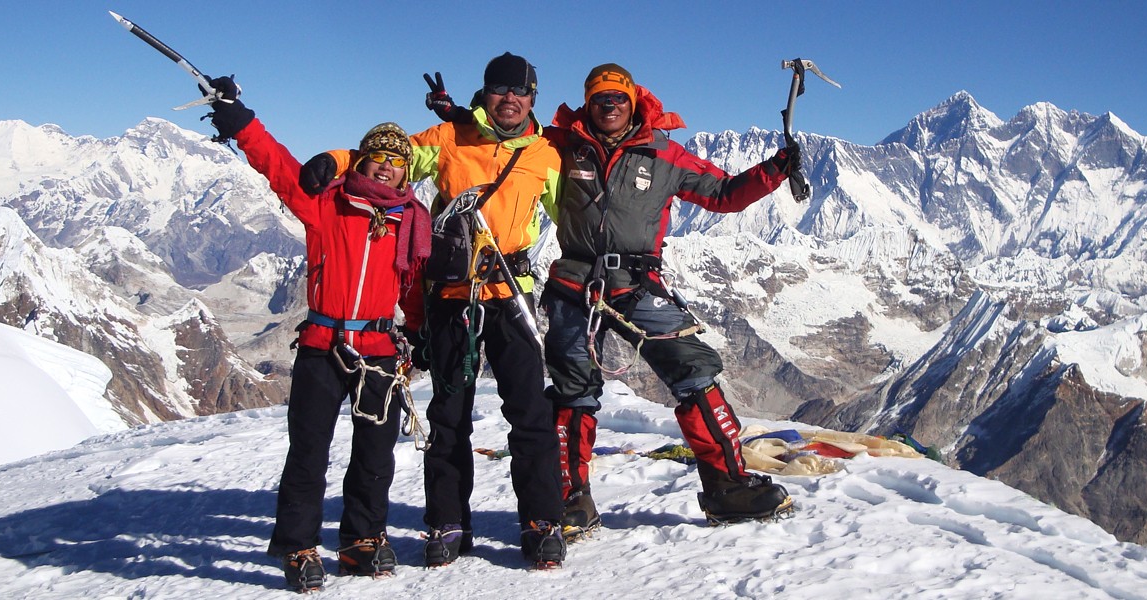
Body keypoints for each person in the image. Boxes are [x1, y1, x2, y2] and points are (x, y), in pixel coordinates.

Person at [431, 63, 804, 538]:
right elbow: (510, 133)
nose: (608, 106)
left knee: (693, 368)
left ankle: (728, 486)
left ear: (633, 102)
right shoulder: (561, 143)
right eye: (599, 99)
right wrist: (466, 115)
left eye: (617, 98)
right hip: (573, 284)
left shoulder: (664, 154)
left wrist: (774, 170)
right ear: (588, 103)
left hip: (637, 283)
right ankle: (568, 500)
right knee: (571, 390)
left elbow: (724, 194)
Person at [302, 52, 566, 569]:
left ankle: (542, 522)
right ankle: (447, 523)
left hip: (512, 293)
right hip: (449, 294)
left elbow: (573, 215)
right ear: (485, 92)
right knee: (448, 417)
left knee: (530, 413)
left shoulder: (546, 153)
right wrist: (335, 160)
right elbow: (387, 158)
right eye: (499, 89)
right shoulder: (448, 138)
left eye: (520, 91)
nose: (509, 99)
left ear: (533, 97)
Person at [204, 76, 431, 592]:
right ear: (360, 161)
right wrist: (243, 123)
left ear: (405, 173)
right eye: (377, 157)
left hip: (377, 347)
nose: (387, 166)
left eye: (397, 161)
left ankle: (361, 540)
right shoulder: (327, 205)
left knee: (375, 453)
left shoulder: (410, 223)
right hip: (322, 345)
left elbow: (412, 287)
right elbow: (280, 169)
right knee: (308, 450)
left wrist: (417, 333)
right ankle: (299, 545)